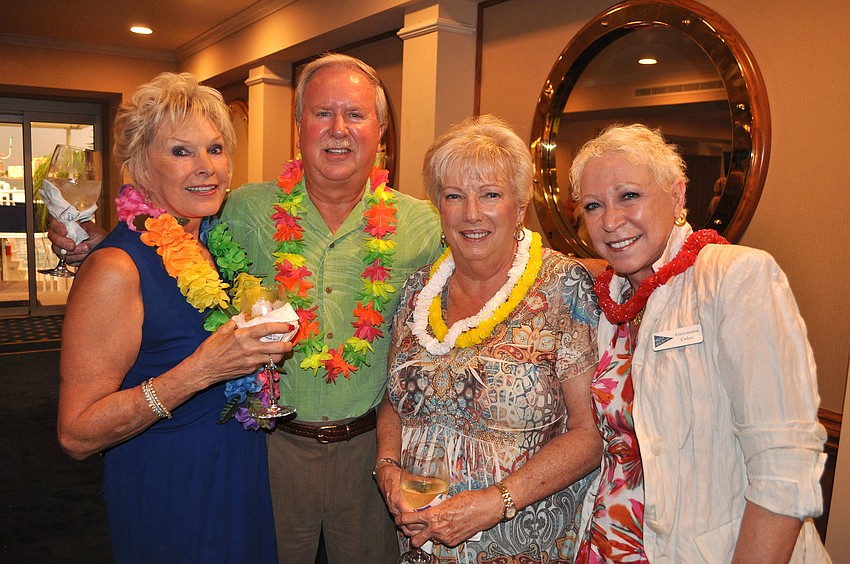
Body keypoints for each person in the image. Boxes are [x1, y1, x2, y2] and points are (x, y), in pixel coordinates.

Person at [50, 54, 442, 563]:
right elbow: (153, 258)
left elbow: (485, 261)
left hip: (355, 451)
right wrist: (107, 253)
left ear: (382, 129)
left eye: (215, 149)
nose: (338, 130)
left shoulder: (424, 225)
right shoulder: (243, 211)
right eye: (322, 113)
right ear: (298, 127)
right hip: (262, 452)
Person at [57, 73, 294, 563]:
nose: (207, 168)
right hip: (170, 487)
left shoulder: (209, 246)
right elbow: (77, 434)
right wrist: (202, 370)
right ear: (141, 166)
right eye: (181, 152)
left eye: (215, 148)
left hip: (238, 472)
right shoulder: (115, 268)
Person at [569, 123, 830, 562]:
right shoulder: (611, 301)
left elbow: (784, 469)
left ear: (677, 197)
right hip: (605, 544)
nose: (611, 221)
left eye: (629, 196)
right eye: (594, 206)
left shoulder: (734, 277)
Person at [375, 115, 602, 563]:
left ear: (520, 207)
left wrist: (497, 501)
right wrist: (387, 471)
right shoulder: (417, 291)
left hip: (521, 543)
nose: (471, 214)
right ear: (438, 207)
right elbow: (393, 399)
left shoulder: (562, 287)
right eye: (454, 196)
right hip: (422, 541)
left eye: (490, 195)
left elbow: (589, 434)